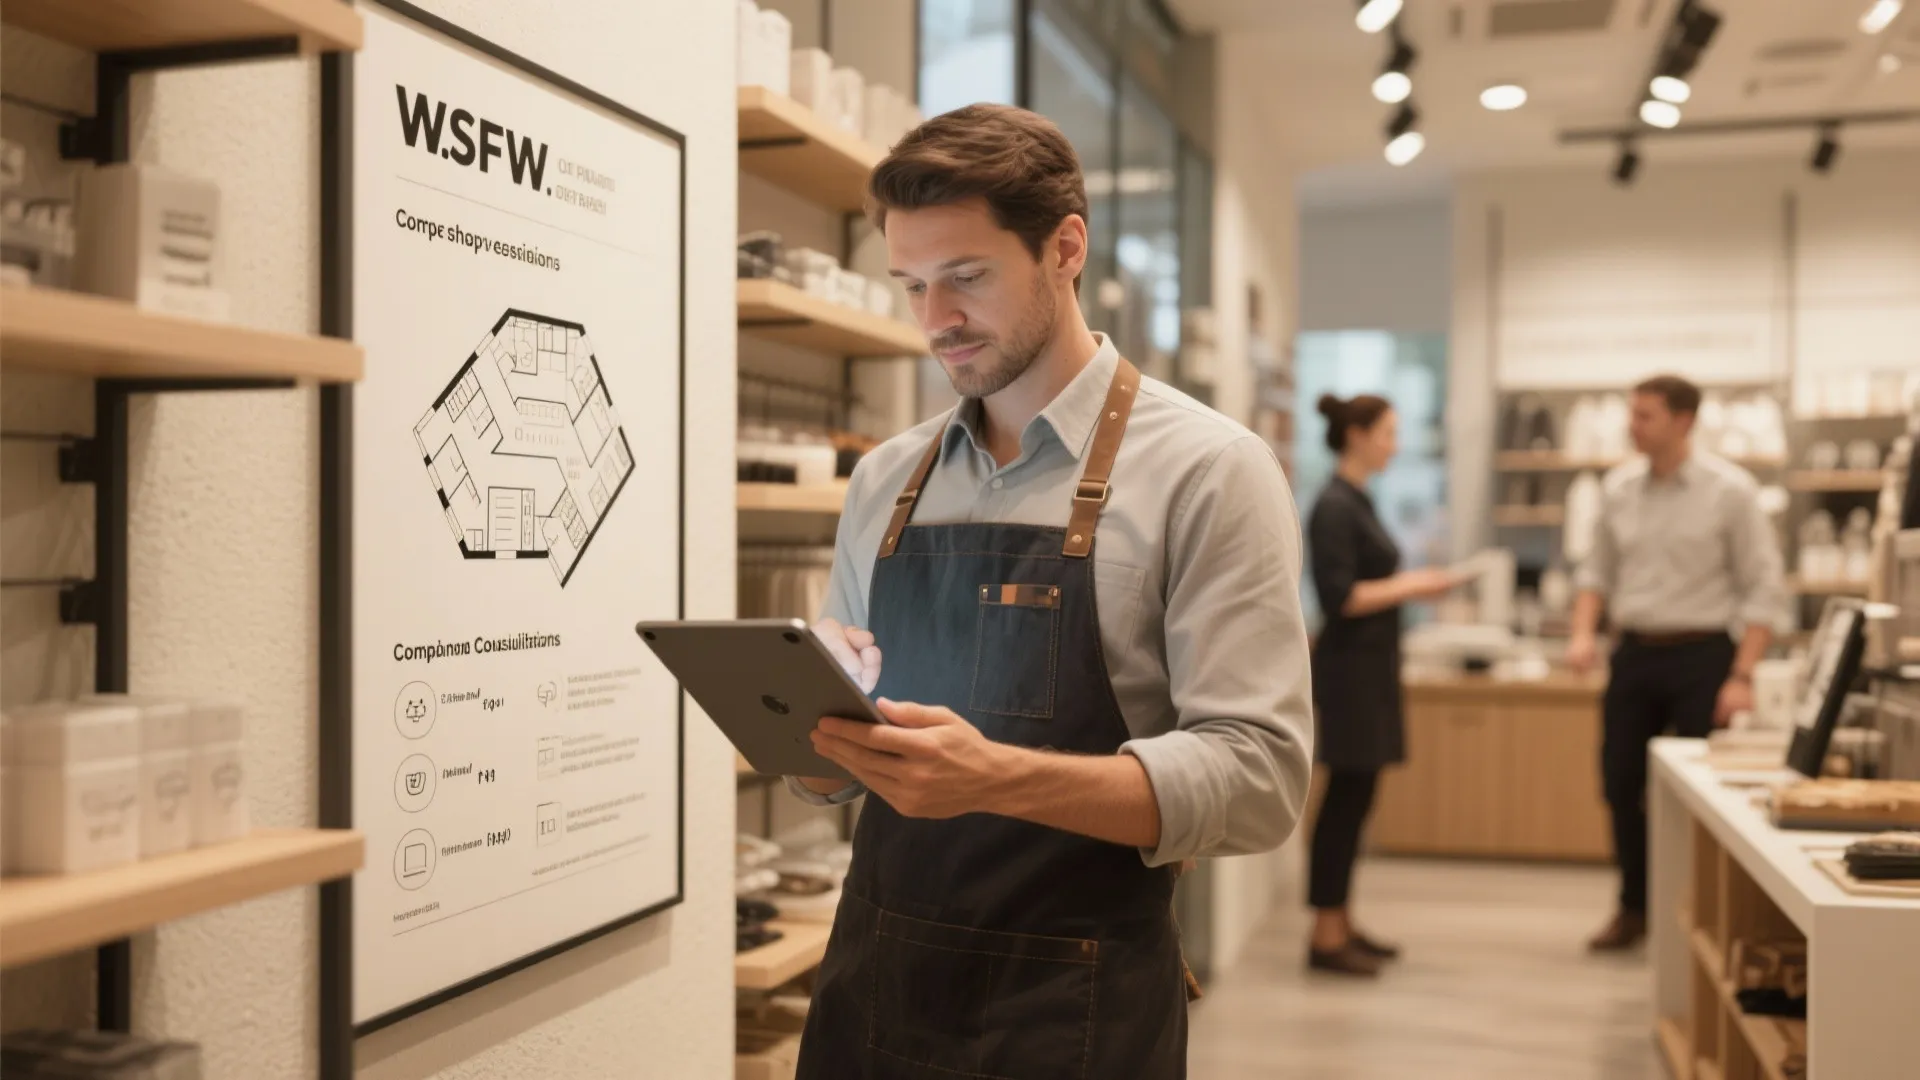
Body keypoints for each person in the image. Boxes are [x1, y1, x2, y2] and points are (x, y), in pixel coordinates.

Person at [784, 103, 1315, 1080]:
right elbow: (830, 773)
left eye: (967, 278)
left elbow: (1259, 781)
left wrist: (995, 778)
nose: (935, 319)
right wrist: (814, 732)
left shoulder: (1208, 471)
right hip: (871, 991)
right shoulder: (885, 481)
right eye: (911, 285)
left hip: (1072, 1014)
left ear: (1065, 248)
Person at [1567, 374, 1786, 951]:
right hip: (1635, 653)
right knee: (1619, 783)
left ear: (1684, 420)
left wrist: (1741, 676)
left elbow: (1764, 589)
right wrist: (1583, 634)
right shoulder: (1618, 489)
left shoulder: (1731, 491)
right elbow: (1595, 574)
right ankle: (1633, 908)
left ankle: (1699, 913)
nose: (1632, 426)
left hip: (1704, 656)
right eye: (1631, 414)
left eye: (1645, 416)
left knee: (1703, 795)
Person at [1303, 394, 1460, 977]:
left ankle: (1341, 921)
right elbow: (1341, 597)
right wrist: (1414, 584)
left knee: (1358, 799)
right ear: (1358, 435)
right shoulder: (1334, 506)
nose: (1395, 445)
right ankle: (1324, 934)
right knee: (1344, 803)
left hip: (1370, 672)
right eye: (1388, 433)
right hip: (1349, 676)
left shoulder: (1357, 500)